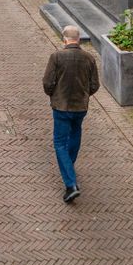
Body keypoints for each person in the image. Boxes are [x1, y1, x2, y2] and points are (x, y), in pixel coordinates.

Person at [42, 25, 100, 203]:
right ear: (79, 38)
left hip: (61, 107)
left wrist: (53, 94)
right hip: (80, 107)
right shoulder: (89, 58)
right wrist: (84, 95)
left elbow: (47, 82)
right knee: (75, 135)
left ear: (64, 39)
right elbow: (95, 85)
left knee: (59, 143)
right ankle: (69, 167)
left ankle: (70, 184)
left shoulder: (57, 57)